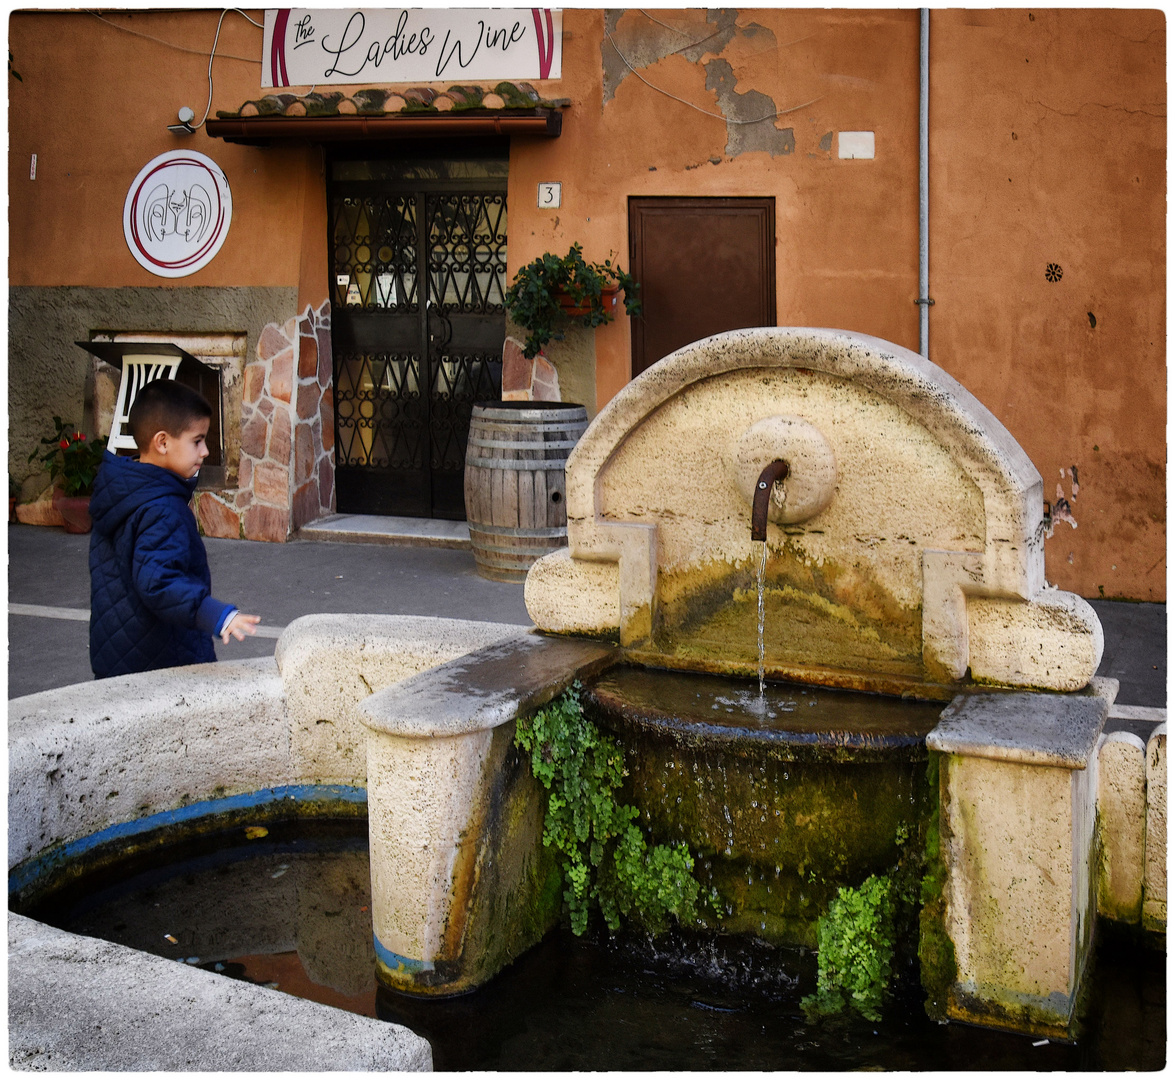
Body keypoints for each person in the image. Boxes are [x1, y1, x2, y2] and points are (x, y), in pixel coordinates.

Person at [88, 378, 260, 678]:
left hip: (121, 656)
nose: (205, 451)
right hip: (162, 660)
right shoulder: (161, 508)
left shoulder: (126, 491)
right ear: (163, 442)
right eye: (197, 441)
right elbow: (158, 582)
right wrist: (216, 615)